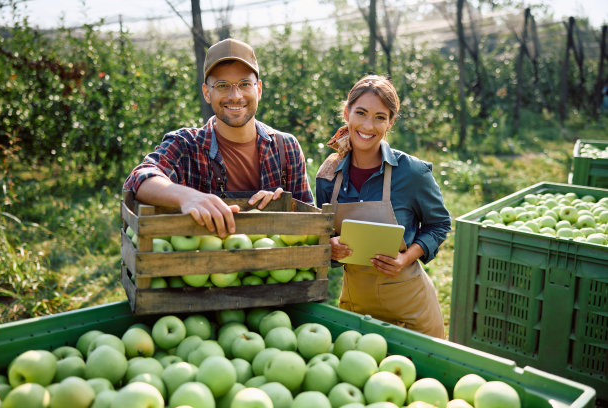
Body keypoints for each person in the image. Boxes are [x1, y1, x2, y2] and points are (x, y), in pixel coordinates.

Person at [123, 38, 313, 237]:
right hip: (204, 266)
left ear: (259, 89)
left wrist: (284, 206)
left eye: (245, 83)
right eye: (222, 85)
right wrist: (187, 197)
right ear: (207, 93)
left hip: (272, 264)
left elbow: (311, 224)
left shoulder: (285, 148)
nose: (235, 95)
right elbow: (138, 179)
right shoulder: (186, 145)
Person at [315, 75, 451, 338]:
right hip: (357, 306)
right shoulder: (328, 176)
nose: (368, 125)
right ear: (347, 113)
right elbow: (322, 234)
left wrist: (405, 258)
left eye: (380, 117)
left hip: (411, 309)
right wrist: (329, 248)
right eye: (361, 113)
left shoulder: (411, 173)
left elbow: (439, 224)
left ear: (390, 122)